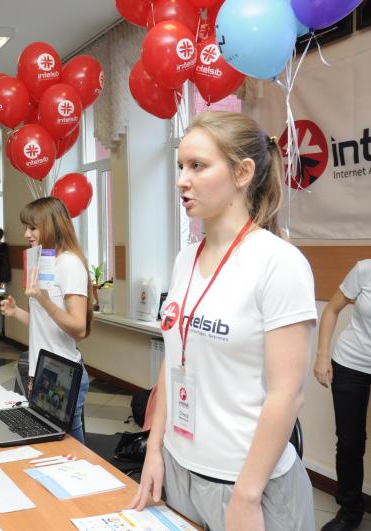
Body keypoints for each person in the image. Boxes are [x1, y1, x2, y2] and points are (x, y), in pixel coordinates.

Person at [129, 111, 317, 530]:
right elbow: (173, 361)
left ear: (242, 173)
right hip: (180, 470)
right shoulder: (184, 259)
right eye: (180, 166)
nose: (182, 179)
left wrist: (247, 496)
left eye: (198, 166)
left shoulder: (278, 263)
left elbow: (287, 395)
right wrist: (155, 449)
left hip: (248, 484)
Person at [0, 197, 93, 443]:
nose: (26, 233)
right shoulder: (46, 261)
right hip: (43, 371)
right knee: (52, 443)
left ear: (51, 225)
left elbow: (78, 328)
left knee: (70, 446)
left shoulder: (69, 264)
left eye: (32, 227)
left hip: (63, 374)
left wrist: (44, 300)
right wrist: (16, 311)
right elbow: (45, 324)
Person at [313, 259, 371, 531]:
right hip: (351, 364)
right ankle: (350, 511)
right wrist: (323, 355)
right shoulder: (364, 269)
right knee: (350, 443)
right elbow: (332, 310)